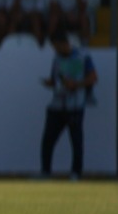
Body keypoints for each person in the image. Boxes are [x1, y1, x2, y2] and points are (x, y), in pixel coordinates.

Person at [40, 26, 98, 179]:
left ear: (62, 43)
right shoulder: (56, 59)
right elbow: (55, 79)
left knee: (76, 141)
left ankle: (75, 173)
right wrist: (49, 83)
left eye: (55, 46)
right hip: (57, 104)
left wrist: (76, 85)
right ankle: (45, 172)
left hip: (75, 105)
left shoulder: (82, 56)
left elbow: (93, 78)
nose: (54, 49)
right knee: (48, 140)